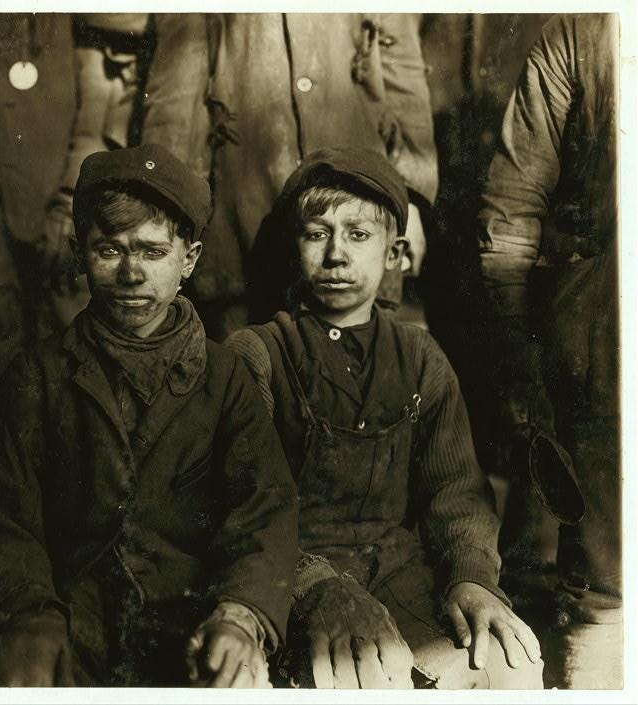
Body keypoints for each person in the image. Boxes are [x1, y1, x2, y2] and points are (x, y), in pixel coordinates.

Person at [0, 144, 304, 687]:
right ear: (80, 254)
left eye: (153, 252)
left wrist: (240, 614)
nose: (132, 273)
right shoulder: (38, 375)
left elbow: (264, 515)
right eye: (109, 250)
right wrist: (29, 612)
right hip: (67, 618)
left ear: (190, 259)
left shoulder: (225, 378)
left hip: (192, 624)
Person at [225, 148, 544, 689]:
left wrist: (472, 579)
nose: (336, 255)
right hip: (292, 581)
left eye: (358, 234)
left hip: (400, 571)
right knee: (363, 676)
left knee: (508, 665)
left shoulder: (420, 357)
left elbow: (457, 492)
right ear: (292, 247)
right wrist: (316, 587)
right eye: (317, 233)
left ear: (395, 252)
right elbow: (242, 509)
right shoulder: (257, 354)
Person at [478, 14, 620, 689]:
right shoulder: (585, 32)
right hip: (606, 337)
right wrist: (516, 334)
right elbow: (513, 201)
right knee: (605, 589)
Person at [142, 14, 438, 338]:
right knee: (249, 363)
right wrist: (169, 210)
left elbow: (402, 74)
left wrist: (411, 199)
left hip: (360, 205)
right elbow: (177, 99)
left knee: (357, 362)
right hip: (243, 219)